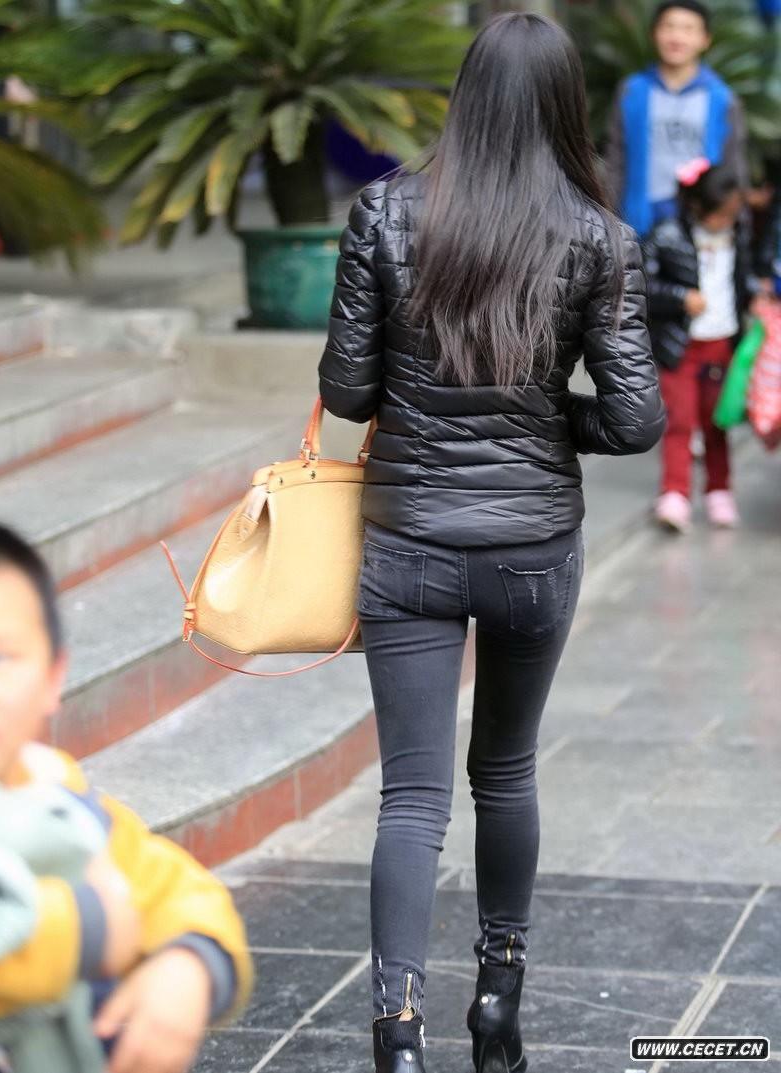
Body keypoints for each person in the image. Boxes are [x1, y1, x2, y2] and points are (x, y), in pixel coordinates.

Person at [318, 13, 665, 1073]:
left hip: (408, 540)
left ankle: (397, 1035)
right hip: (531, 547)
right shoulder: (600, 239)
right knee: (505, 771)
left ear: (464, 97)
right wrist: (543, 420)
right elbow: (635, 420)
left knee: (410, 796)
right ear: (563, 104)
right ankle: (496, 1006)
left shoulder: (383, 211)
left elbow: (347, 392)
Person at [0, 517, 253, 1073]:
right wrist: (90, 925)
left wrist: (189, 964)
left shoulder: (58, 799)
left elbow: (176, 889)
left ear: (53, 678)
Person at [643, 159, 754, 532]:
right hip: (681, 346)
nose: (728, 221)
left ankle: (719, 491)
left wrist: (757, 297)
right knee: (680, 420)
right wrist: (680, 297)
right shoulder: (667, 235)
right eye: (722, 215)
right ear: (698, 207)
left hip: (722, 343)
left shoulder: (738, 234)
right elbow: (641, 284)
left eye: (733, 214)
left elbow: (742, 279)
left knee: (717, 422)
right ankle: (675, 493)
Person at [606, 0, 748, 238]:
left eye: (688, 29)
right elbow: (615, 159)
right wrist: (608, 218)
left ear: (705, 39)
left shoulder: (723, 98)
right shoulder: (632, 91)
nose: (676, 37)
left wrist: (733, 223)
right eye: (668, 26)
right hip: (637, 223)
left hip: (700, 225)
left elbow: (734, 166)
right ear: (653, 33)